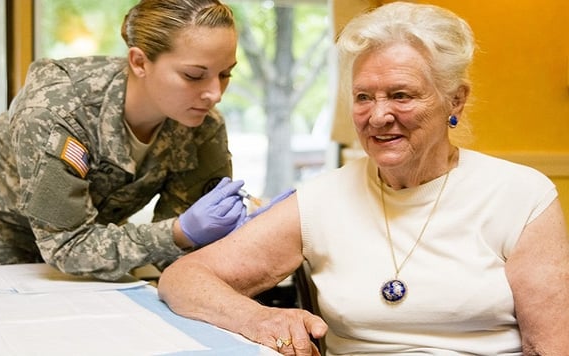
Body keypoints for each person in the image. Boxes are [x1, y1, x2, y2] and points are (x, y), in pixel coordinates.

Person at [157, 2, 569, 355]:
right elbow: (185, 278)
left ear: (454, 99)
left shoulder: (521, 196)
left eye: (401, 95)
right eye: (363, 97)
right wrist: (260, 319)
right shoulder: (324, 198)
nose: (378, 116)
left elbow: (551, 347)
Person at [0, 0, 254, 281]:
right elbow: (67, 246)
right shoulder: (57, 111)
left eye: (225, 74)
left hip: (87, 238)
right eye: (194, 75)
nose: (215, 94)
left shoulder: (202, 124)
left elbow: (179, 250)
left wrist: (250, 231)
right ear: (140, 62)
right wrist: (179, 232)